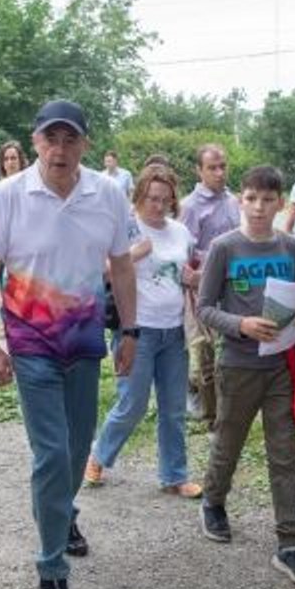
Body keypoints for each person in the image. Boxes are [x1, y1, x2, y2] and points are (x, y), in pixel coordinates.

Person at [0, 99, 136, 589]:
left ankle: (60, 513)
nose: (59, 149)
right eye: (51, 138)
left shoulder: (107, 194)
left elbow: (122, 268)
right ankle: (51, 569)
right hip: (31, 344)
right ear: (36, 140)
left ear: (85, 145)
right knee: (51, 454)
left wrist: (130, 331)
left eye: (70, 139)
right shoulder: (7, 196)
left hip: (85, 342)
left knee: (76, 448)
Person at [196, 165, 295, 588]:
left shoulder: (292, 248)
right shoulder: (224, 248)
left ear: (281, 202)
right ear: (239, 200)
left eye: (268, 200)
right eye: (251, 198)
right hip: (239, 365)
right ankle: (213, 501)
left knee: (285, 454)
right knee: (228, 442)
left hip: (281, 367)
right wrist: (241, 325)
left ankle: (290, 543)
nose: (259, 208)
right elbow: (205, 308)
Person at [83, 165, 202, 498]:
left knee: (174, 407)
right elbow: (98, 273)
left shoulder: (180, 232)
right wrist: (133, 255)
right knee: (133, 402)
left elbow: (185, 271)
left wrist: (193, 278)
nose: (158, 206)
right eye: (152, 198)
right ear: (139, 195)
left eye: (165, 200)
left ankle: (174, 475)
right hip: (136, 329)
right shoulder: (124, 227)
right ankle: (98, 455)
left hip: (173, 329)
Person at [179, 143, 240, 431]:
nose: (219, 173)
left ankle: (227, 407)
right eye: (212, 168)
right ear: (199, 170)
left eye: (222, 166)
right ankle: (210, 413)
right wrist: (198, 275)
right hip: (202, 287)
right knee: (204, 350)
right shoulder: (190, 206)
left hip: (234, 284)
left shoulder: (233, 200)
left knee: (228, 346)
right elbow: (182, 252)